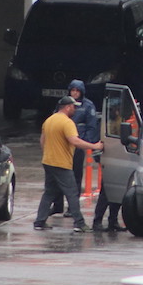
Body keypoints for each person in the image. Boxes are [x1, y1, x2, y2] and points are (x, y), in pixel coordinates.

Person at [33, 95, 103, 232]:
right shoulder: (67, 123)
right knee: (72, 192)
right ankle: (79, 223)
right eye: (74, 107)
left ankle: (39, 221)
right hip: (61, 164)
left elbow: (42, 140)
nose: (75, 110)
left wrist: (48, 153)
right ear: (67, 107)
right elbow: (75, 141)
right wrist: (94, 146)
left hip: (48, 161)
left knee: (49, 192)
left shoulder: (49, 120)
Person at [51, 79, 99, 216]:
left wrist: (86, 142)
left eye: (77, 91)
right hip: (62, 146)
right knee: (58, 175)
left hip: (77, 146)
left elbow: (92, 126)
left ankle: (72, 208)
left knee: (75, 177)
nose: (75, 93)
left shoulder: (88, 106)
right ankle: (57, 205)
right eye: (73, 90)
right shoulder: (63, 103)